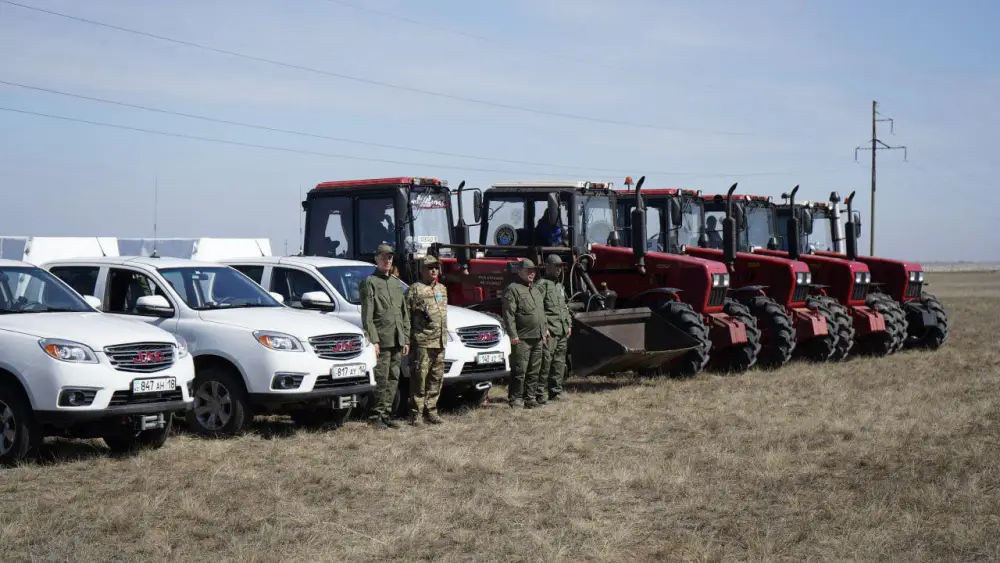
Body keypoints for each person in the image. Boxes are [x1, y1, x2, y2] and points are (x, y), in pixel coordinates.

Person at [359, 243, 410, 429]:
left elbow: (404, 313)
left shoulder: (396, 283)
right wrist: (374, 340)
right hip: (382, 339)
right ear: (376, 259)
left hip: (397, 339)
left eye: (390, 257)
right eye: (383, 257)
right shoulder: (370, 283)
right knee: (382, 379)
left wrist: (405, 338)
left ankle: (386, 415)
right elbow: (367, 316)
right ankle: (376, 417)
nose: (387, 260)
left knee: (393, 378)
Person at [405, 255, 447, 426]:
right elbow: (406, 316)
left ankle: (432, 410)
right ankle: (416, 414)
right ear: (422, 270)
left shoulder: (442, 289)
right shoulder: (414, 289)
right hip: (422, 342)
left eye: (436, 267)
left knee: (436, 378)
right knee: (419, 379)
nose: (434, 270)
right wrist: (407, 340)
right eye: (430, 267)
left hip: (440, 341)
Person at [501, 258, 548, 408]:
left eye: (533, 271)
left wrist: (544, 329)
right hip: (522, 338)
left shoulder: (536, 289)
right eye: (528, 270)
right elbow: (509, 314)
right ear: (520, 271)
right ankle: (516, 399)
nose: (531, 273)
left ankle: (530, 398)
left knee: (534, 370)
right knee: (520, 370)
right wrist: (513, 335)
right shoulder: (513, 289)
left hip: (538, 336)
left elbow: (541, 312)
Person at [536, 254, 572, 403]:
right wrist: (544, 328)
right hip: (550, 330)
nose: (559, 270)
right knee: (545, 363)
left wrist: (568, 324)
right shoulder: (541, 285)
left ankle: (556, 391)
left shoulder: (559, 286)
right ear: (548, 267)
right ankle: (540, 394)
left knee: (559, 362)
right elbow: (538, 309)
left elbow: (564, 307)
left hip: (562, 330)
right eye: (556, 266)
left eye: (561, 266)